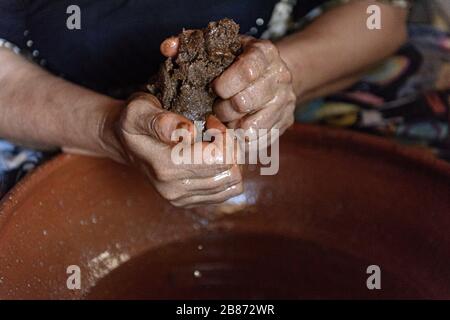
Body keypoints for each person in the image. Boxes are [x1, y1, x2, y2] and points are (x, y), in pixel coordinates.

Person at [0, 0, 409, 206]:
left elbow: (378, 19)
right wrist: (107, 128)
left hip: (295, 58)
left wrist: (273, 78)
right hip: (50, 103)